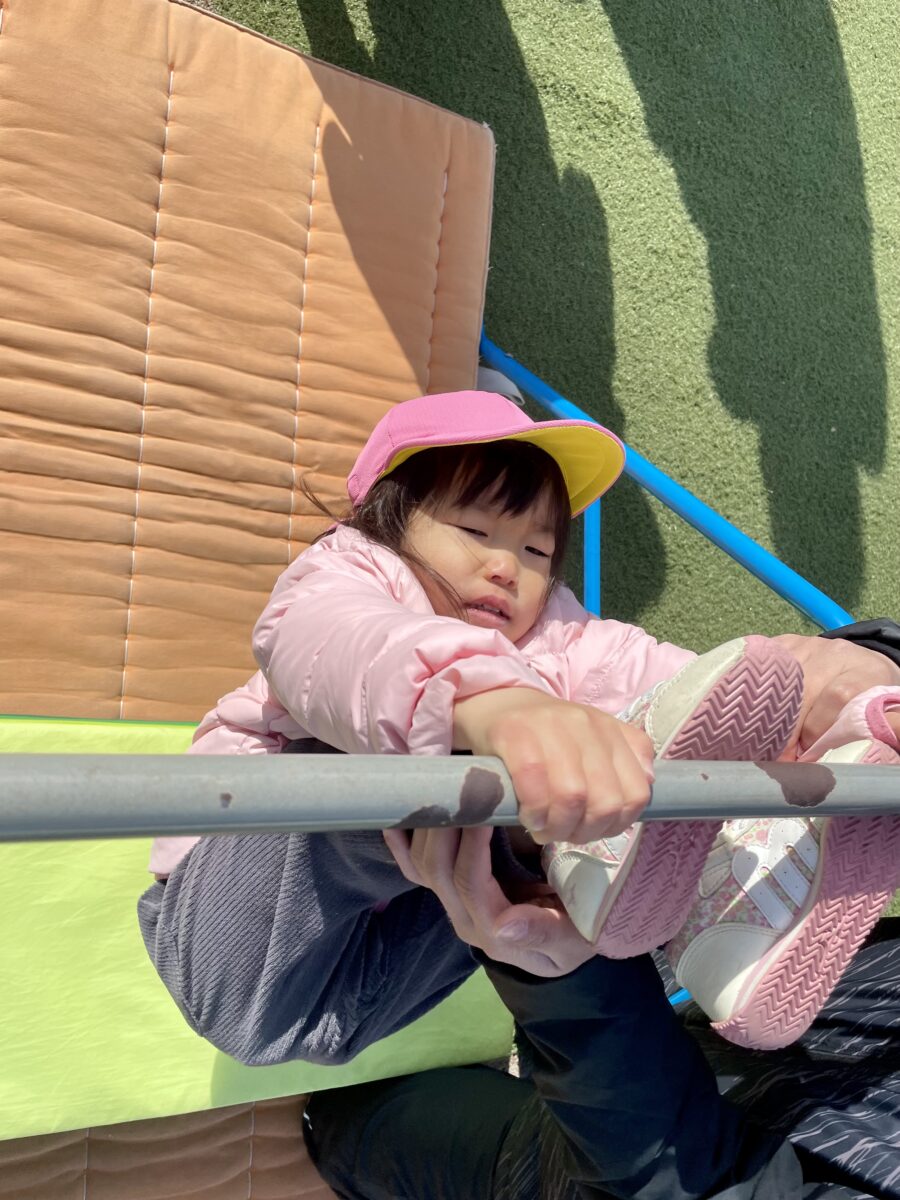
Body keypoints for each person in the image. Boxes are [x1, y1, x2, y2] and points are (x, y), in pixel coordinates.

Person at [139, 391, 900, 1196]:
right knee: (451, 758)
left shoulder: (556, 633)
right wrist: (496, 705)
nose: (507, 567)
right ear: (386, 520)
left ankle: (731, 883)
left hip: (380, 973)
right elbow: (330, 640)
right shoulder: (353, 573)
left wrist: (811, 708)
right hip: (233, 939)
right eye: (476, 532)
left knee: (555, 790)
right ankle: (623, 853)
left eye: (537, 551)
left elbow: (674, 682)